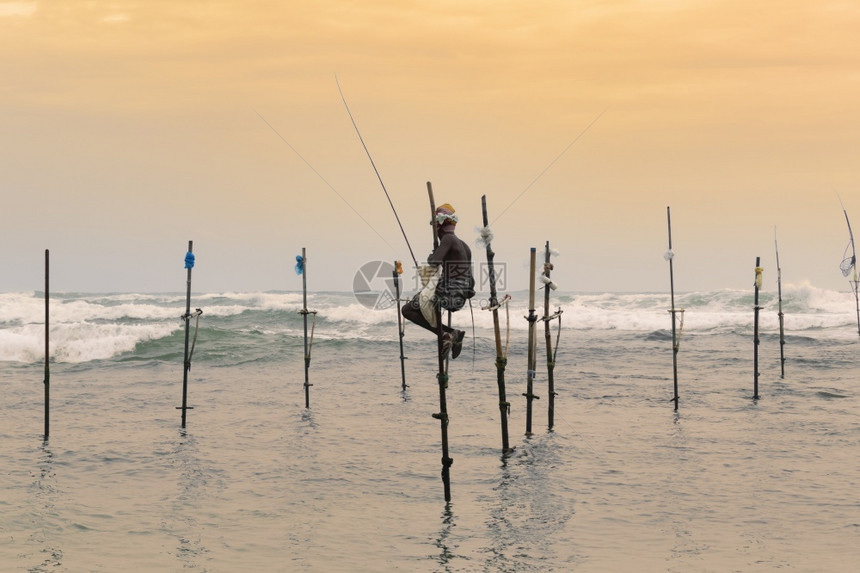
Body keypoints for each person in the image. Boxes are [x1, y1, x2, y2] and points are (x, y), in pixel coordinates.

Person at [401, 203, 475, 359]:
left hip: (448, 295)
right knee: (419, 305)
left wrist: (432, 256)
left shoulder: (448, 239)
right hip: (458, 298)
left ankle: (445, 334)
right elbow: (471, 282)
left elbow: (434, 262)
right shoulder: (464, 246)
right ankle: (452, 333)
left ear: (440, 227)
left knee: (407, 310)